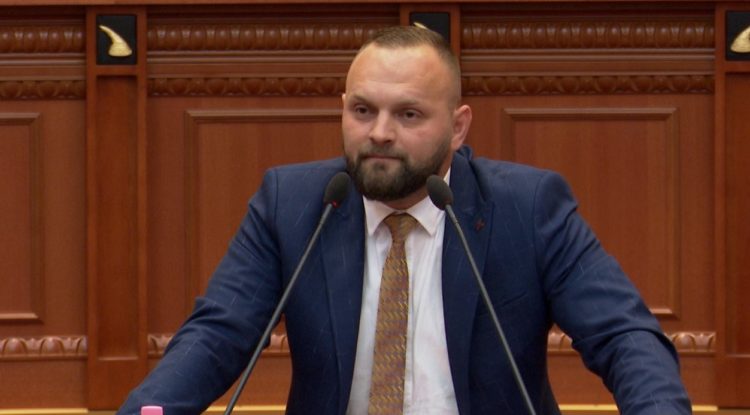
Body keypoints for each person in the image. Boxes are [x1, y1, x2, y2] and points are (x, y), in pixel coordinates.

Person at [117, 25, 692, 415]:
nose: (380, 133)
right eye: (362, 110)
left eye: (409, 114)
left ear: (458, 127)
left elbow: (623, 336)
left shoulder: (528, 206)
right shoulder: (293, 203)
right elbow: (218, 335)